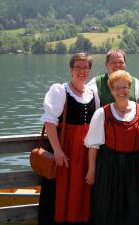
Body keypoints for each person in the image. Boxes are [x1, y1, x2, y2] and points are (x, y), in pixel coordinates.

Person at [85, 70, 139, 225]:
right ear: (112, 91)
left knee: (133, 207)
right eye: (117, 88)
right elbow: (93, 146)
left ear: (130, 88)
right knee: (107, 206)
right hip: (108, 166)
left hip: (133, 167)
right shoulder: (102, 113)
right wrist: (92, 171)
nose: (122, 91)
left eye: (125, 87)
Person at [39, 52, 97, 225]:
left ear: (89, 71)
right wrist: (57, 150)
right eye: (78, 67)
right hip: (66, 151)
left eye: (85, 67)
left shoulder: (94, 93)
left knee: (82, 193)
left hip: (86, 153)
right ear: (71, 69)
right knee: (61, 192)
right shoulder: (60, 91)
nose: (82, 70)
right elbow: (50, 123)